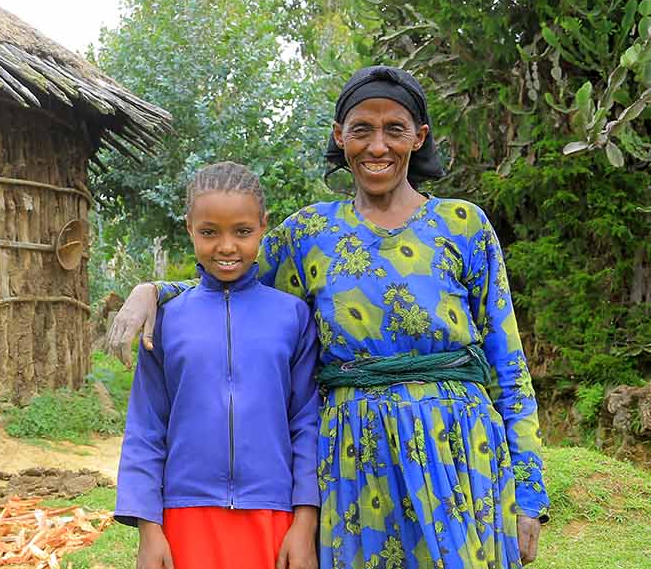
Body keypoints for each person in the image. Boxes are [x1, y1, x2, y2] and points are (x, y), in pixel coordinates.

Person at [108, 66, 548, 568]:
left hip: (457, 452)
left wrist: (529, 493)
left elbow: (508, 363)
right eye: (361, 129)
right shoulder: (310, 233)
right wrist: (153, 291)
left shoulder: (464, 224)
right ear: (340, 137)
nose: (377, 146)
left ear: (419, 138)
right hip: (352, 460)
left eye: (394, 130)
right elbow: (230, 274)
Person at [115, 161, 320, 569]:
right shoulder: (167, 320)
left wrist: (305, 522)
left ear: (264, 225)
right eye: (209, 232)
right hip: (184, 513)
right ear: (189, 227)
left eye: (242, 232)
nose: (226, 247)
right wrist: (148, 528)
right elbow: (146, 426)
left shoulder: (292, 316)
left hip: (272, 513)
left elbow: (307, 423)